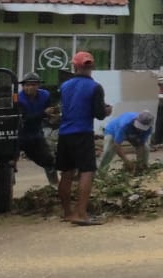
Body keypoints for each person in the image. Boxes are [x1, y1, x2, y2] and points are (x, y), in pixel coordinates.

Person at [56, 51, 112, 225]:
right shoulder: (95, 87)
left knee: (66, 173)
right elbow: (99, 114)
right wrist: (107, 110)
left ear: (74, 66)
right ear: (92, 66)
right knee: (87, 171)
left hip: (64, 133)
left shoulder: (64, 86)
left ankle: (67, 212)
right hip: (82, 132)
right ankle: (81, 213)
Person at [15, 74, 58, 185]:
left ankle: (54, 185)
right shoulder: (18, 99)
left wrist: (51, 117)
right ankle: (7, 186)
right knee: (9, 162)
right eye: (27, 85)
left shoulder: (45, 95)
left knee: (48, 160)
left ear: (38, 85)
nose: (30, 88)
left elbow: (49, 112)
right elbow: (25, 119)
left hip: (36, 134)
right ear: (23, 86)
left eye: (33, 85)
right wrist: (43, 113)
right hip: (18, 135)